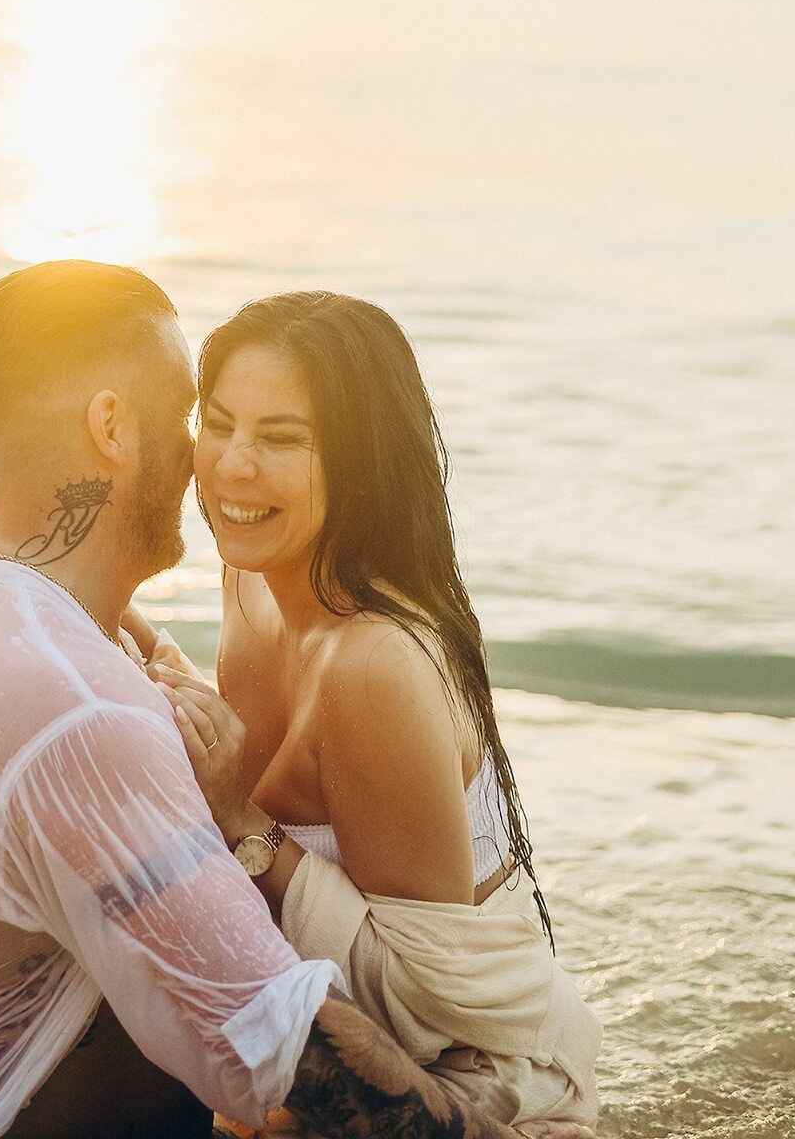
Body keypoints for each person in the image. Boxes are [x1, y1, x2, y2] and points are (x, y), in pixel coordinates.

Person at [0, 260, 522, 1139]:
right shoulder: (80, 710)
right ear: (112, 426)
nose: (208, 460)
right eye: (193, 417)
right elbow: (301, 1060)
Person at [145, 292, 602, 1136]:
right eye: (219, 423)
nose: (233, 465)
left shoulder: (375, 663)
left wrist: (241, 820)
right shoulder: (253, 580)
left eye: (281, 438)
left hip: (476, 1087)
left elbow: (423, 1002)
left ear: (359, 462)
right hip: (352, 1054)